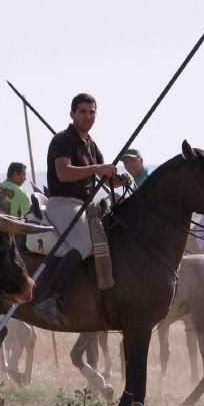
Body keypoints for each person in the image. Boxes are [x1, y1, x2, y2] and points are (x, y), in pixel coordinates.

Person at [29, 93, 127, 325]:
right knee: (85, 244)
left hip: (85, 205)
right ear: (72, 114)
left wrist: (118, 179)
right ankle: (49, 298)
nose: (88, 116)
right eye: (83, 111)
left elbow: (103, 177)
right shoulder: (63, 140)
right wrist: (98, 168)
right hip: (63, 202)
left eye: (92, 111)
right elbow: (64, 173)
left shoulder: (91, 145)